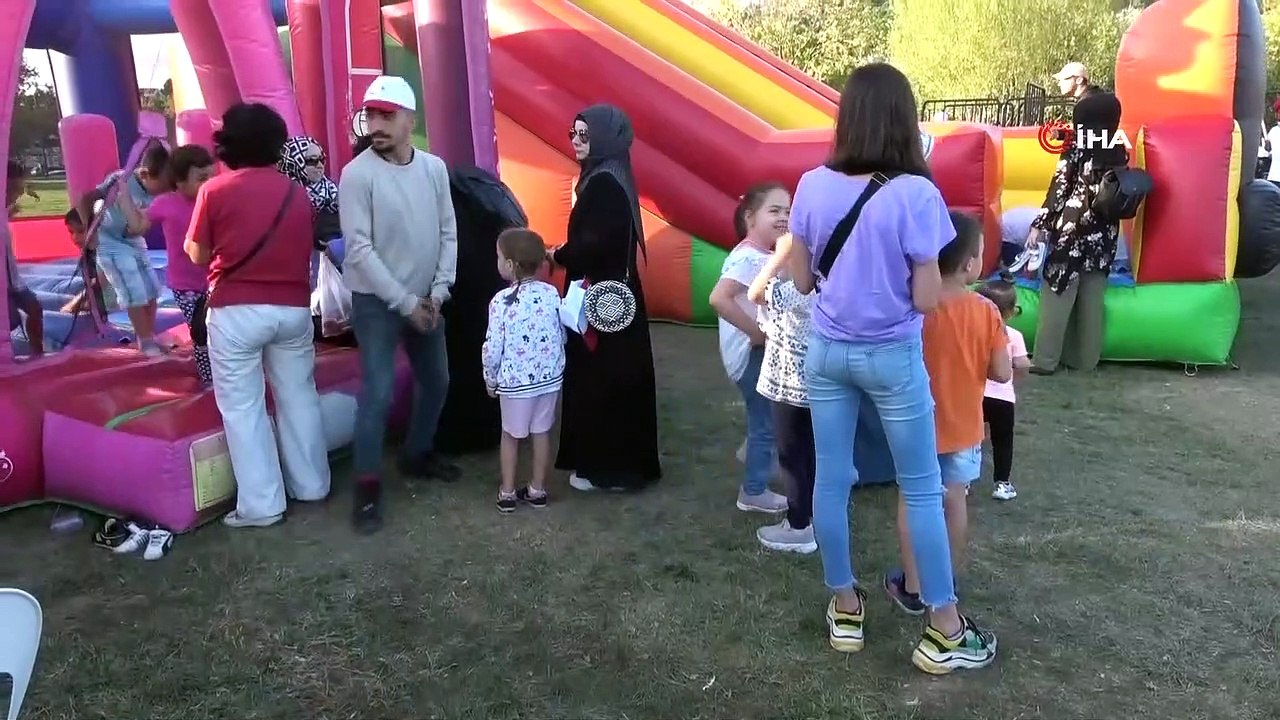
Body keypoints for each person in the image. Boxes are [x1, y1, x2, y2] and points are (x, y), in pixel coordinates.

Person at [786, 62, 997, 674]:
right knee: (922, 487)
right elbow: (928, 298)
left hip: (827, 353)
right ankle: (944, 629)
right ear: (905, 121)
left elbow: (801, 280)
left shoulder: (810, 185)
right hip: (893, 358)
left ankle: (845, 607)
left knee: (832, 480)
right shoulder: (917, 194)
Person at [184, 102, 331, 528]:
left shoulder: (215, 191)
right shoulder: (298, 194)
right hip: (293, 308)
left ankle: (262, 504)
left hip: (236, 311)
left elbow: (197, 253)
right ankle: (312, 483)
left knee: (243, 407)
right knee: (298, 395)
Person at [340, 75, 459, 534]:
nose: (376, 124)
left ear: (410, 119)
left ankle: (417, 454)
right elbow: (359, 249)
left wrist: (438, 293)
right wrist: (406, 302)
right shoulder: (357, 174)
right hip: (377, 302)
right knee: (378, 392)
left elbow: (448, 232)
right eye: (371, 114)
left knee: (438, 380)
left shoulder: (434, 169)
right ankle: (367, 488)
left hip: (427, 299)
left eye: (386, 116)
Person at [884, 212, 1011, 619]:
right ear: (971, 263)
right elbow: (1002, 373)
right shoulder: (987, 311)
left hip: (914, 424)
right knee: (954, 500)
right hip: (964, 427)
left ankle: (913, 586)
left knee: (911, 499)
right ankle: (945, 582)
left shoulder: (913, 305)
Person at [548, 104, 662, 491]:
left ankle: (607, 469)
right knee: (612, 379)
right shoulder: (612, 177)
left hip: (601, 301)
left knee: (601, 382)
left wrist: (558, 255)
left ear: (605, 138)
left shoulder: (602, 185)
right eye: (574, 133)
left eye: (585, 134)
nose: (577, 142)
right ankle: (611, 465)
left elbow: (591, 247)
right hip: (614, 297)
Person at [1025, 92, 1125, 375]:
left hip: (1073, 228)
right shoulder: (1117, 148)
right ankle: (1085, 359)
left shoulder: (1076, 147)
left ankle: (1045, 360)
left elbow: (1060, 187)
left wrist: (1040, 224)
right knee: (1092, 296)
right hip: (1104, 232)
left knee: (1057, 288)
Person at [709, 182, 790, 514]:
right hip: (751, 355)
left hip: (759, 353)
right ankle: (753, 491)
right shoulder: (747, 258)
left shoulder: (764, 255)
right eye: (775, 210)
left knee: (772, 416)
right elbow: (719, 298)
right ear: (750, 217)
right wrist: (755, 333)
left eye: (787, 211)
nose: (783, 217)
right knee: (766, 421)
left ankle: (758, 456)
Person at [482, 228, 566, 513]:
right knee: (541, 432)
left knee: (510, 434)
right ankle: (537, 490)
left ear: (510, 264)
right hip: (548, 381)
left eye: (498, 257)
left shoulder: (501, 301)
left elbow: (493, 347)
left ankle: (507, 492)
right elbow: (560, 334)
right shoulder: (551, 293)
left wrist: (490, 378)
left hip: (515, 384)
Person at [744, 232, 817, 553]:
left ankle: (799, 526)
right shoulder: (827, 288)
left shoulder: (796, 291)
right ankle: (813, 515)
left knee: (792, 457)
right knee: (811, 454)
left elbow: (754, 292)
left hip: (790, 387)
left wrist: (779, 255)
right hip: (818, 385)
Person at [129, 145, 216, 384]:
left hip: (217, 280)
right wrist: (122, 201)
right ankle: (208, 377)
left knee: (221, 329)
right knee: (200, 331)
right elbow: (138, 226)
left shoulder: (216, 198)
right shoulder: (166, 203)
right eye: (202, 178)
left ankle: (225, 369)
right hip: (186, 284)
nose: (209, 183)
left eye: (212, 177)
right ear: (179, 182)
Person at [78, 144, 171, 355]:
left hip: (134, 239)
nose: (166, 190)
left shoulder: (158, 189)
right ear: (145, 174)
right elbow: (86, 199)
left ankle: (148, 336)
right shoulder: (121, 180)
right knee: (133, 291)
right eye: (163, 185)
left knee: (152, 290)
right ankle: (145, 342)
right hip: (110, 242)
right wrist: (89, 231)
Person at [977, 273, 1029, 501]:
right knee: (1003, 441)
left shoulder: (974, 334)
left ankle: (963, 481)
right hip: (1003, 399)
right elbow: (1022, 364)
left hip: (975, 395)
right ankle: (1002, 483)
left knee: (970, 439)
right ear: (1011, 312)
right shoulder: (1014, 336)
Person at [4, 161, 43, 356]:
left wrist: (8, 212)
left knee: (34, 309)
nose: (19, 193)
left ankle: (37, 354)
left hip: (13, 279)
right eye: (14, 189)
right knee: (11, 320)